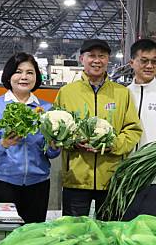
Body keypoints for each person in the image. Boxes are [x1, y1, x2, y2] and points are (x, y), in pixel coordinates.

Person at [55, 39, 142, 217]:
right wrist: (72, 142)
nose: (97, 60)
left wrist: (113, 145)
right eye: (91, 56)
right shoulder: (67, 92)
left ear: (108, 60)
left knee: (108, 234)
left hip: (111, 178)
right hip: (76, 178)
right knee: (74, 235)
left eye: (102, 56)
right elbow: (57, 130)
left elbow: (133, 130)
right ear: (82, 59)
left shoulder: (121, 93)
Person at [0, 53, 60, 223]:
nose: (24, 77)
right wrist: (4, 143)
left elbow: (52, 154)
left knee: (32, 238)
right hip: (3, 182)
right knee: (6, 237)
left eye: (30, 72)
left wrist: (54, 146)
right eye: (18, 71)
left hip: (38, 183)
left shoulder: (47, 108)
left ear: (36, 77)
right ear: (9, 76)